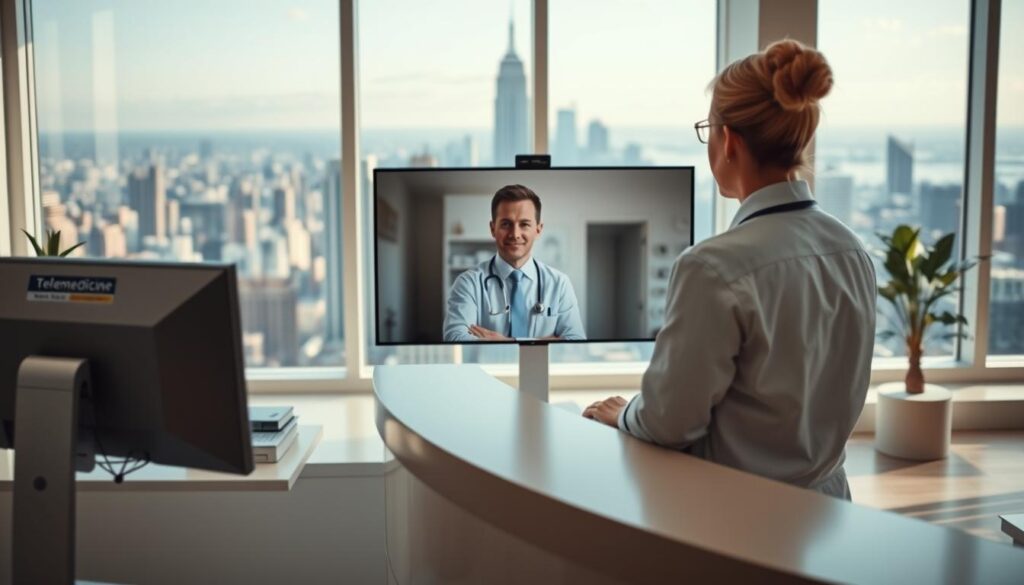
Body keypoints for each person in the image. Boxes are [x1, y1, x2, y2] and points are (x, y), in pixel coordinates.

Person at [582, 40, 876, 500]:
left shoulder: (712, 268)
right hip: (829, 507)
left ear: (729, 141)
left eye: (708, 129)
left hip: (735, 515)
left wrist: (623, 413)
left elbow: (669, 423)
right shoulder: (852, 250)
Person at [443, 184, 586, 342]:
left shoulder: (559, 284)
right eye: (506, 224)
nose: (515, 234)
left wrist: (506, 342)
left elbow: (575, 341)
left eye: (524, 224)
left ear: (538, 229)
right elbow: (455, 338)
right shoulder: (468, 283)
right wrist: (545, 341)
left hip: (541, 367)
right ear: (492, 228)